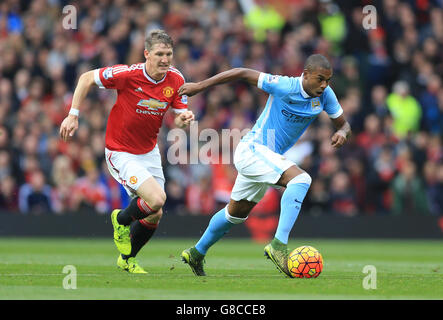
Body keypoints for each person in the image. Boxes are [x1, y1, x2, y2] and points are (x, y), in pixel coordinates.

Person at [178, 54, 351, 277]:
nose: (324, 85)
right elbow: (241, 72)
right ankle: (279, 246)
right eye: (320, 79)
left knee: (235, 214)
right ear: (305, 74)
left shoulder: (325, 95)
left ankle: (196, 253)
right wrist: (200, 86)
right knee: (301, 179)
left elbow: (344, 124)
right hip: (253, 149)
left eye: (328, 80)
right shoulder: (284, 85)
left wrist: (342, 132)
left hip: (265, 157)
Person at [59, 29, 195, 273]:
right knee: (156, 199)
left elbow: (178, 117)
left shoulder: (176, 79)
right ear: (146, 54)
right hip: (120, 151)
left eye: (169, 54)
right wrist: (73, 115)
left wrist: (184, 119)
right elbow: (86, 78)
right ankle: (120, 220)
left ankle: (127, 258)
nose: (165, 59)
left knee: (156, 213)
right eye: (159, 54)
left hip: (149, 151)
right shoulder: (128, 74)